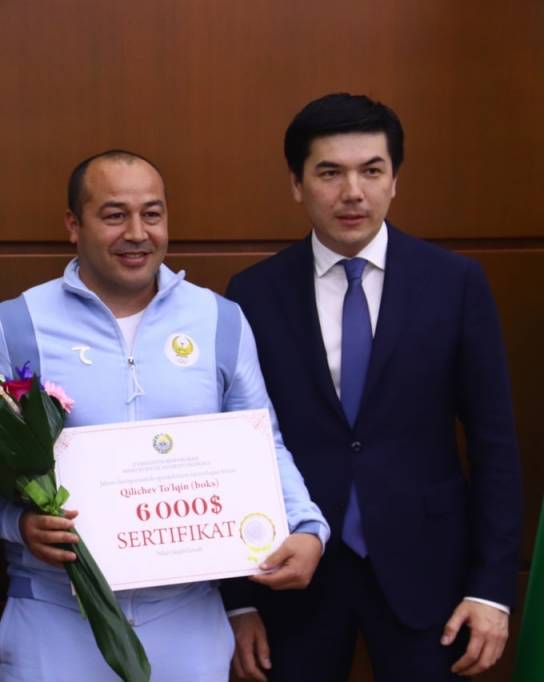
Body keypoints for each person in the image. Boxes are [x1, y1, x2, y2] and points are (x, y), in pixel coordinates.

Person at [0, 149, 330, 681]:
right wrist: (17, 525)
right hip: (56, 616)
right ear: (74, 224)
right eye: (115, 215)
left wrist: (308, 526)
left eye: (152, 214)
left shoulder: (219, 319)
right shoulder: (12, 327)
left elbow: (262, 441)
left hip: (188, 618)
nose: (137, 233)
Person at [224, 93, 522, 680]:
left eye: (371, 170)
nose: (352, 192)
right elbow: (236, 447)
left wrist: (491, 588)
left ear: (395, 180)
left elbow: (495, 445)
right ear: (297, 184)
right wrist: (239, 600)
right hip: (294, 578)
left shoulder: (455, 283)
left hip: (430, 576)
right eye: (329, 173)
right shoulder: (253, 294)